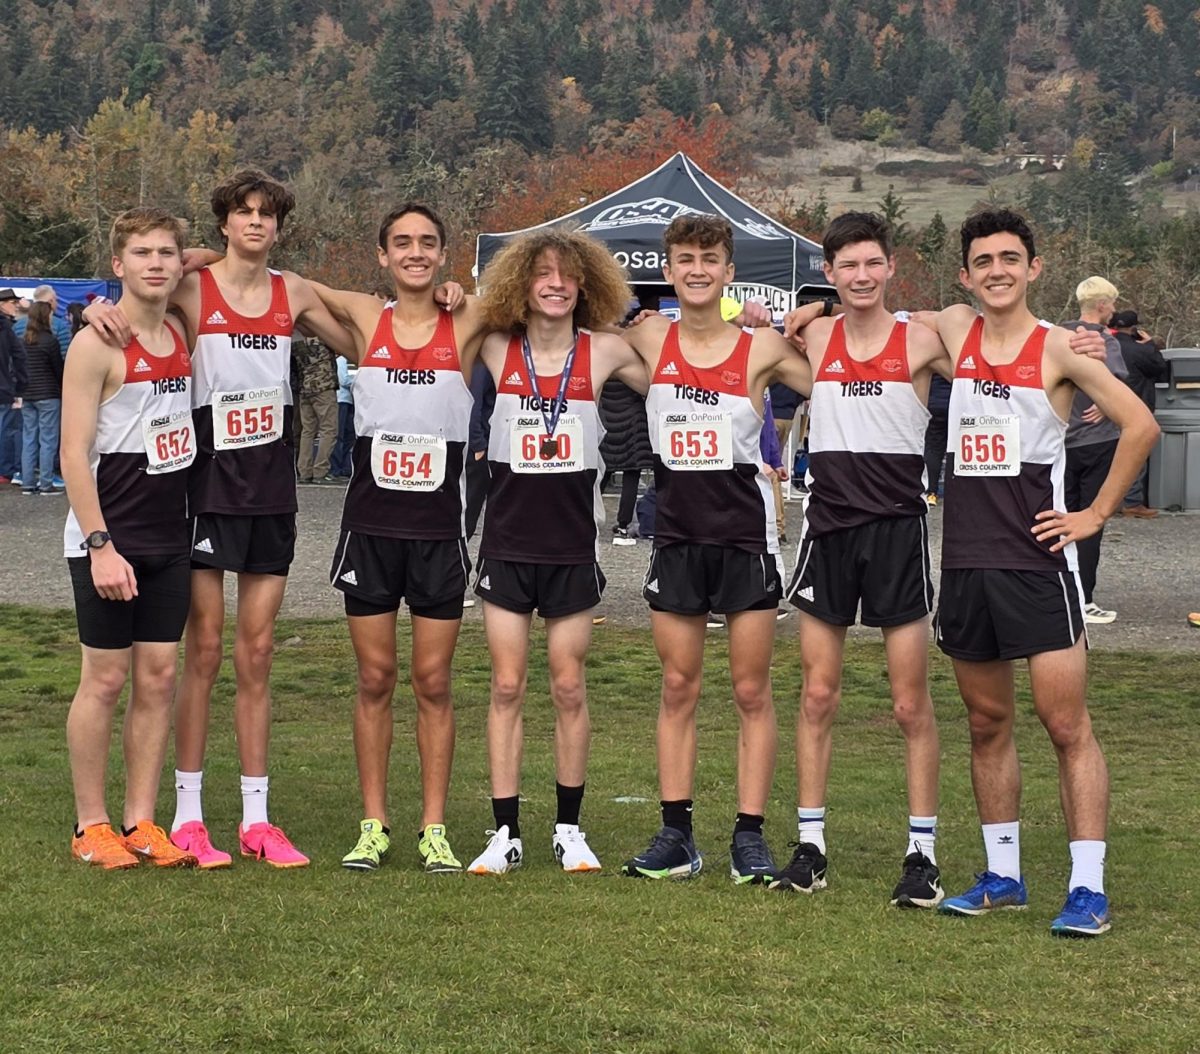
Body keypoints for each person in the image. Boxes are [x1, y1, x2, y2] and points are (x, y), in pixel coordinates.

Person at [84, 168, 355, 868]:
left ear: (279, 225)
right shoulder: (191, 288)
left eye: (268, 214)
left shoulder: (292, 292)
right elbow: (133, 290)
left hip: (272, 493)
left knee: (257, 654)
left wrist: (438, 300)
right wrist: (93, 311)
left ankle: (259, 820)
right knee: (201, 654)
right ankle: (190, 815)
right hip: (204, 493)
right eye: (244, 212)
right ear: (225, 223)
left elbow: (366, 337)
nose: (257, 223)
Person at [917, 209, 1158, 937]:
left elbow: (1139, 424)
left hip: (1037, 562)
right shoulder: (955, 329)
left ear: (1034, 269)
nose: (997, 269)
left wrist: (1094, 515)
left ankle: (1088, 889)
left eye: (1010, 258)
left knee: (1064, 724)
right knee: (987, 723)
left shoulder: (1060, 349)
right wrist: (806, 311)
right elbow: (872, 313)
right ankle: (1003, 876)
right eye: (983, 259)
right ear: (966, 273)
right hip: (965, 562)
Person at [615, 214, 813, 884]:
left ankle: (750, 835)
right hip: (674, 535)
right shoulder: (646, 335)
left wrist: (807, 318)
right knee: (677, 686)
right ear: (667, 270)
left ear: (729, 272)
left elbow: (841, 377)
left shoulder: (760, 348)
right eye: (685, 259)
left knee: (751, 689)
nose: (697, 270)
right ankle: (677, 835)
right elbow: (568, 321)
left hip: (743, 538)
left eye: (710, 259)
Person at [773, 212, 951, 907]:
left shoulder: (923, 338)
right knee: (818, 695)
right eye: (848, 266)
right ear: (829, 272)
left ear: (890, 267)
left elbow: (985, 341)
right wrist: (801, 309)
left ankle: (922, 854)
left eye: (873, 264)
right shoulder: (817, 333)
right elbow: (783, 325)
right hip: (830, 531)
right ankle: (810, 845)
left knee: (910, 703)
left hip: (898, 532)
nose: (862, 276)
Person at [306, 204, 490, 872]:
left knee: (433, 680)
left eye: (428, 244)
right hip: (371, 531)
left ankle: (434, 828)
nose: (415, 252)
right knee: (377, 676)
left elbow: (546, 296)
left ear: (443, 254)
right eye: (402, 243)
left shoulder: (466, 320)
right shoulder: (363, 316)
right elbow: (285, 288)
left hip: (439, 532)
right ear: (382, 254)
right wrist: (195, 258)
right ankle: (374, 824)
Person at [464, 229, 645, 875]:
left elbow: (680, 363)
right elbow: (439, 327)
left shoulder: (602, 352)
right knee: (507, 685)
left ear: (587, 285)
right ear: (521, 281)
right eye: (541, 273)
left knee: (568, 687)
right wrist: (465, 297)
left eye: (568, 275)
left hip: (573, 548)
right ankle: (504, 832)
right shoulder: (494, 346)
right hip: (507, 546)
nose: (556, 284)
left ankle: (569, 829)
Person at [61, 207, 198, 869]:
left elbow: (216, 261)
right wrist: (99, 546)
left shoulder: (180, 327)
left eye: (166, 253)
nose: (155, 263)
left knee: (158, 678)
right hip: (106, 538)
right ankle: (92, 824)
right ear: (116, 265)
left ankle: (143, 820)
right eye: (140, 253)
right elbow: (72, 454)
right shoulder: (97, 344)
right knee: (106, 679)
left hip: (170, 537)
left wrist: (186, 254)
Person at [1061, 277, 1127, 624]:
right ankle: (1084, 599)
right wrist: (1107, 402)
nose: (1114, 310)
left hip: (1062, 443)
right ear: (1102, 305)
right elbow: (1116, 385)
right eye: (1112, 304)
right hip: (1098, 443)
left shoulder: (1059, 335)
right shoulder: (1105, 341)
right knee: (1089, 521)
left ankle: (1058, 592)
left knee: (1060, 518)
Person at [1109, 309, 1167, 517]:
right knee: (1134, 455)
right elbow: (1161, 369)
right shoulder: (1140, 350)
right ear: (1135, 329)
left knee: (1108, 454)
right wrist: (1150, 344)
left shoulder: (1105, 345)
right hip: (1137, 408)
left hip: (1106, 407)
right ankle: (1132, 502)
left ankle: (1108, 503)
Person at [19, 301, 64, 496]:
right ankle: (45, 483)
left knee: (29, 438)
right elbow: (58, 369)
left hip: (27, 395)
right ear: (47, 316)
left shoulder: (23, 340)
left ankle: (28, 482)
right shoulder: (50, 341)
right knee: (48, 439)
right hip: (48, 395)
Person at [293, 335, 340, 484]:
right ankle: (320, 471)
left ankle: (304, 471)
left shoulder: (296, 340)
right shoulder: (326, 337)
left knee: (307, 430)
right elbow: (341, 349)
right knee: (329, 429)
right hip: (324, 386)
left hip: (305, 388)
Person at [0, 289, 27, 485]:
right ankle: (5, 469)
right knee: (7, 429)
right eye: (12, 302)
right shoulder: (5, 328)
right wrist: (21, 385)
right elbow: (19, 357)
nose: (16, 305)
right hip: (4, 387)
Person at [330, 355, 355, 479]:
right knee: (339, 434)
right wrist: (358, 380)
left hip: (350, 401)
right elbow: (344, 380)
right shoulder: (341, 361)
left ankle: (344, 466)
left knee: (350, 435)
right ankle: (335, 467)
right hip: (341, 400)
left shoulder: (352, 362)